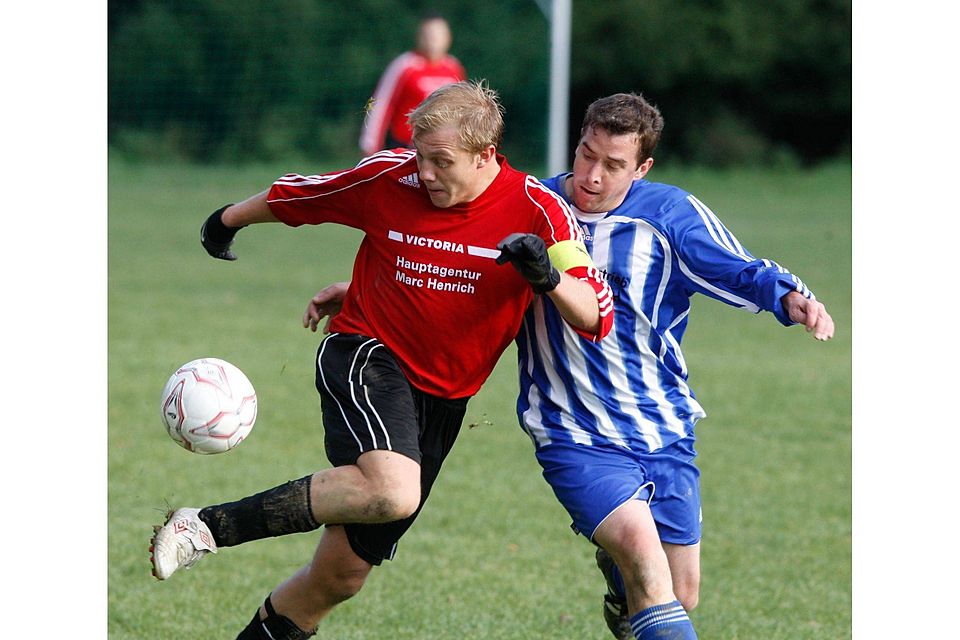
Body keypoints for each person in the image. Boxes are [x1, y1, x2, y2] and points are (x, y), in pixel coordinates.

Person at [305, 93, 834, 640]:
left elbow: (740, 269)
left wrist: (790, 297)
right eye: (587, 155)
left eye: (614, 165)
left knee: (679, 592)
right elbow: (454, 264)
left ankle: (618, 583)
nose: (593, 175)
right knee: (643, 558)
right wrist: (365, 290)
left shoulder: (670, 217)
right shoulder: (534, 206)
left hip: (661, 424)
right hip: (571, 427)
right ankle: (625, 562)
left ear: (643, 168)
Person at [149, 80, 614, 640]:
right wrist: (227, 220)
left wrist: (547, 276)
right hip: (365, 353)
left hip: (443, 401)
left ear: (486, 154)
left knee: (338, 578)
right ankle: (204, 527)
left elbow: (594, 314)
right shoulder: (391, 176)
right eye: (420, 157)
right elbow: (305, 195)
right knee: (393, 490)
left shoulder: (539, 211)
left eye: (442, 161)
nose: (426, 173)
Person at [358, 13, 466, 156]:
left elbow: (463, 109)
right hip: (405, 147)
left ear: (448, 38)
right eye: (428, 35)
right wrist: (370, 143)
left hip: (442, 149)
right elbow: (381, 103)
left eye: (438, 35)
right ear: (419, 37)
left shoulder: (454, 68)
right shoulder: (405, 65)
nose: (433, 41)